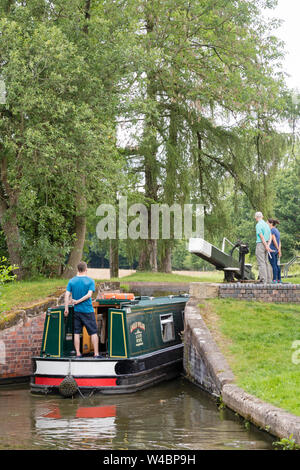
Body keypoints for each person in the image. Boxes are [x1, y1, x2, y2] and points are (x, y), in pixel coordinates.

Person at [64, 261, 100, 358]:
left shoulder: (71, 281)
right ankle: (96, 354)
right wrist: (78, 301)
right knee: (93, 332)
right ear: (86, 269)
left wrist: (66, 308)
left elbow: (67, 295)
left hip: (77, 311)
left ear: (77, 269)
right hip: (88, 311)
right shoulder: (90, 281)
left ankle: (78, 353)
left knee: (76, 332)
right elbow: (89, 295)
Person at [254, 211, 273, 283]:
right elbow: (270, 236)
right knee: (266, 262)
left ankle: (263, 281)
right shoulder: (266, 225)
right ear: (262, 217)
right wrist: (268, 245)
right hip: (267, 243)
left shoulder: (258, 225)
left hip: (261, 244)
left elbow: (261, 237)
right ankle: (269, 280)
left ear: (255, 218)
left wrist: (266, 245)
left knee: (261, 263)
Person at [267, 218, 282, 283]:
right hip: (276, 250)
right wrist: (279, 250)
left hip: (272, 250)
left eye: (267, 223)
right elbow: (280, 242)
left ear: (271, 224)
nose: (266, 224)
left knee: (273, 265)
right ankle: (279, 279)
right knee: (277, 265)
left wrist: (278, 249)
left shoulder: (272, 230)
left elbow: (274, 240)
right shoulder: (277, 230)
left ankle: (274, 280)